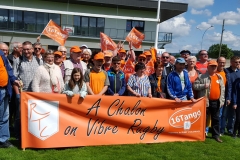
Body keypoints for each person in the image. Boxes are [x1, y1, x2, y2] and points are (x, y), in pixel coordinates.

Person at [193, 60, 225, 143]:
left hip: (216, 102)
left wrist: (222, 100)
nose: (213, 68)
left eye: (215, 66)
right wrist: (203, 86)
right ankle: (201, 134)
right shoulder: (201, 76)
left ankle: (216, 135)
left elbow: (223, 90)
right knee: (203, 119)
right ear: (208, 67)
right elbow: (195, 86)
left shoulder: (219, 77)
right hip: (205, 101)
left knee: (216, 119)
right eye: (212, 66)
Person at [0, 50, 20, 148]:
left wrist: (13, 79)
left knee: (5, 116)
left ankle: (3, 140)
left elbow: (8, 69)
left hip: (5, 89)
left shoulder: (1, 54)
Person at [225, 56, 240, 134]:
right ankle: (221, 129)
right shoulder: (226, 71)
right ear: (231, 62)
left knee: (233, 115)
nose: (238, 63)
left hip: (236, 97)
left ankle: (230, 129)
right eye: (236, 62)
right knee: (224, 114)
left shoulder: (239, 72)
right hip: (227, 95)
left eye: (239, 62)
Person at [216, 57, 229, 135]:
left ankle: (220, 130)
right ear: (217, 62)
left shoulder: (226, 72)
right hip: (214, 96)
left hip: (222, 96)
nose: (222, 64)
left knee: (221, 115)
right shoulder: (214, 71)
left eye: (223, 62)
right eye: (220, 62)